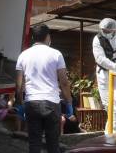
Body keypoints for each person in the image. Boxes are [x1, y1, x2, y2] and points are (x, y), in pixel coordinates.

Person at [15, 24, 73, 153]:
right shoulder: (56, 54)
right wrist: (69, 102)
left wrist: (19, 104)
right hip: (51, 104)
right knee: (53, 144)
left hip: (32, 103)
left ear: (33, 38)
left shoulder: (23, 55)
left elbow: (19, 85)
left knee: (34, 144)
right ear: (48, 37)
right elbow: (63, 82)